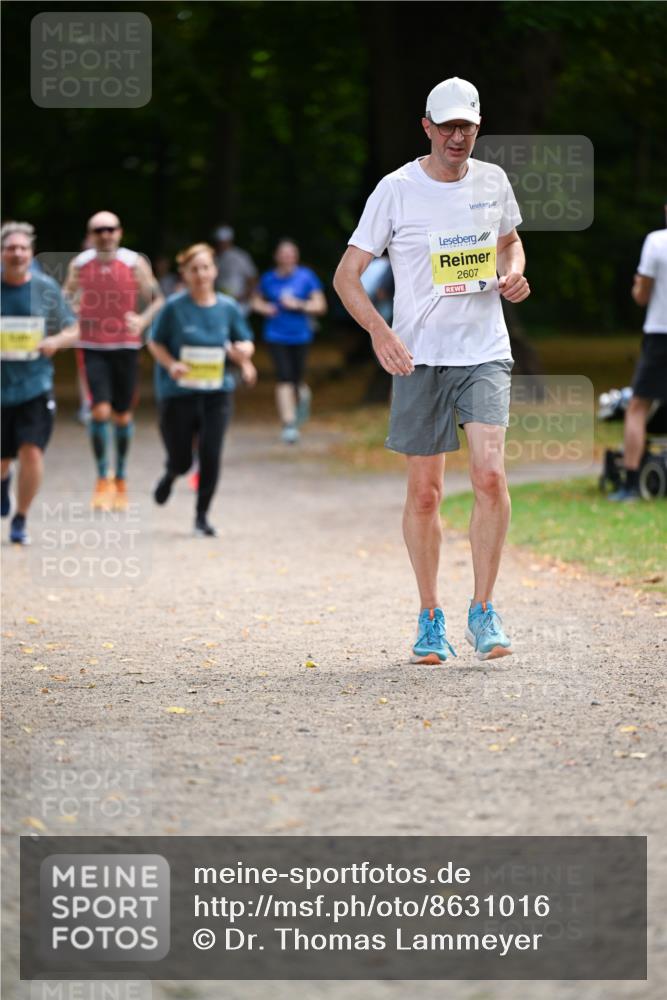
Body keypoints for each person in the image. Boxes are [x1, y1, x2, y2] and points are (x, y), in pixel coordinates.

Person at [334, 77, 530, 664]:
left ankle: (484, 610)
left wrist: (514, 271)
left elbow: (511, 244)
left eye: (466, 125)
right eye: (445, 125)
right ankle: (429, 616)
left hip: (484, 351)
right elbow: (347, 276)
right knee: (425, 495)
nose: (457, 135)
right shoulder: (395, 189)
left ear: (477, 126)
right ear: (426, 127)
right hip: (417, 357)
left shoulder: (493, 180)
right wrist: (379, 331)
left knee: (491, 476)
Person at [148, 242, 257, 537]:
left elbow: (244, 341)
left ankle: (202, 516)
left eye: (206, 267)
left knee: (211, 452)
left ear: (215, 271)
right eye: (194, 269)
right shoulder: (173, 307)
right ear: (184, 273)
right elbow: (154, 342)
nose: (201, 274)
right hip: (178, 392)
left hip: (216, 391)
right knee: (183, 458)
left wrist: (243, 355)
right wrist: (171, 364)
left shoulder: (227, 307)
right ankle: (172, 473)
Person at [64, 211, 164, 511]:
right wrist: (73, 311)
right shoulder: (80, 264)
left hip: (125, 346)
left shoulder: (134, 263)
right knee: (99, 410)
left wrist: (142, 319)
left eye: (110, 229)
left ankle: (120, 477)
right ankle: (101, 479)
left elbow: (158, 298)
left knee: (122, 416)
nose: (105, 234)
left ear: (119, 232)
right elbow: (63, 297)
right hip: (92, 346)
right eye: (99, 230)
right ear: (91, 234)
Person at [1, 222, 79, 544]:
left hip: (35, 385)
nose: (16, 253)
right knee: (3, 459)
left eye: (22, 248)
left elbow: (74, 329)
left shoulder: (46, 289)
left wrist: (56, 342)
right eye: (10, 248)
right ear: (1, 253)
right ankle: (4, 481)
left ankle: (21, 518)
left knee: (32, 452)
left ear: (31, 253)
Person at [608, 205, 667, 502]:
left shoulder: (657, 241)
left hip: (660, 333)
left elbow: (642, 295)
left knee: (638, 407)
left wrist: (636, 288)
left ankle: (631, 483)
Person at [251, 239, 327, 443]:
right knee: (284, 377)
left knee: (297, 380)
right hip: (276, 335)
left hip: (301, 335)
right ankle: (289, 423)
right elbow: (255, 301)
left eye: (291, 254)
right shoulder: (268, 279)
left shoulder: (306, 277)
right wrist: (264, 308)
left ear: (296, 257)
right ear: (276, 256)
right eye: (283, 254)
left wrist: (299, 304)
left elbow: (320, 305)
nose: (287, 258)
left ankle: (301, 403)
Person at [213, 226, 258, 314]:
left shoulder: (241, 256)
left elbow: (252, 279)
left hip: (240, 304)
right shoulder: (214, 257)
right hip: (219, 303)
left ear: (230, 240)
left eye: (225, 241)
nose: (222, 244)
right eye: (220, 241)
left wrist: (244, 296)